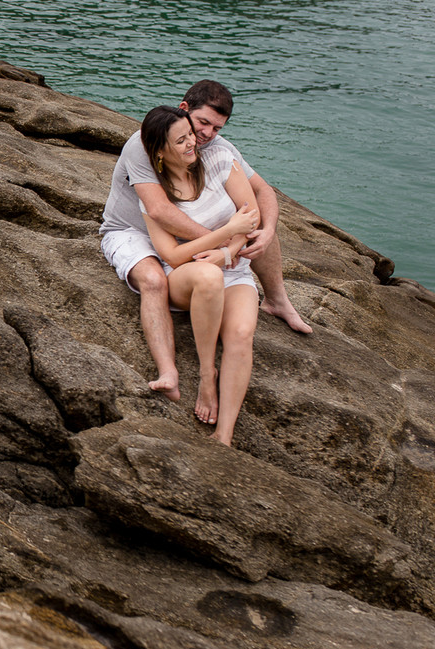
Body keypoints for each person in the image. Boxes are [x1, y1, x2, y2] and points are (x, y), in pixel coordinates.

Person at [100, 80, 310, 405]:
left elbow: (263, 191)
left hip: (184, 234)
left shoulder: (214, 145)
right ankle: (168, 371)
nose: (208, 133)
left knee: (259, 229)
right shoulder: (143, 145)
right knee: (154, 280)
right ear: (185, 109)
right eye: (203, 123)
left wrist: (265, 232)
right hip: (133, 230)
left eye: (217, 127)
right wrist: (224, 242)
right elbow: (159, 210)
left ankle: (278, 300)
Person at [135, 106, 259, 444]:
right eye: (181, 140)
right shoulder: (154, 193)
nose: (193, 142)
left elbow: (252, 214)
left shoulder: (218, 159)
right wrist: (225, 233)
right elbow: (173, 255)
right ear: (160, 151)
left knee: (242, 333)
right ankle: (207, 374)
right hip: (186, 276)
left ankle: (224, 434)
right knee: (207, 276)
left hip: (233, 269)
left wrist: (228, 251)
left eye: (191, 133)